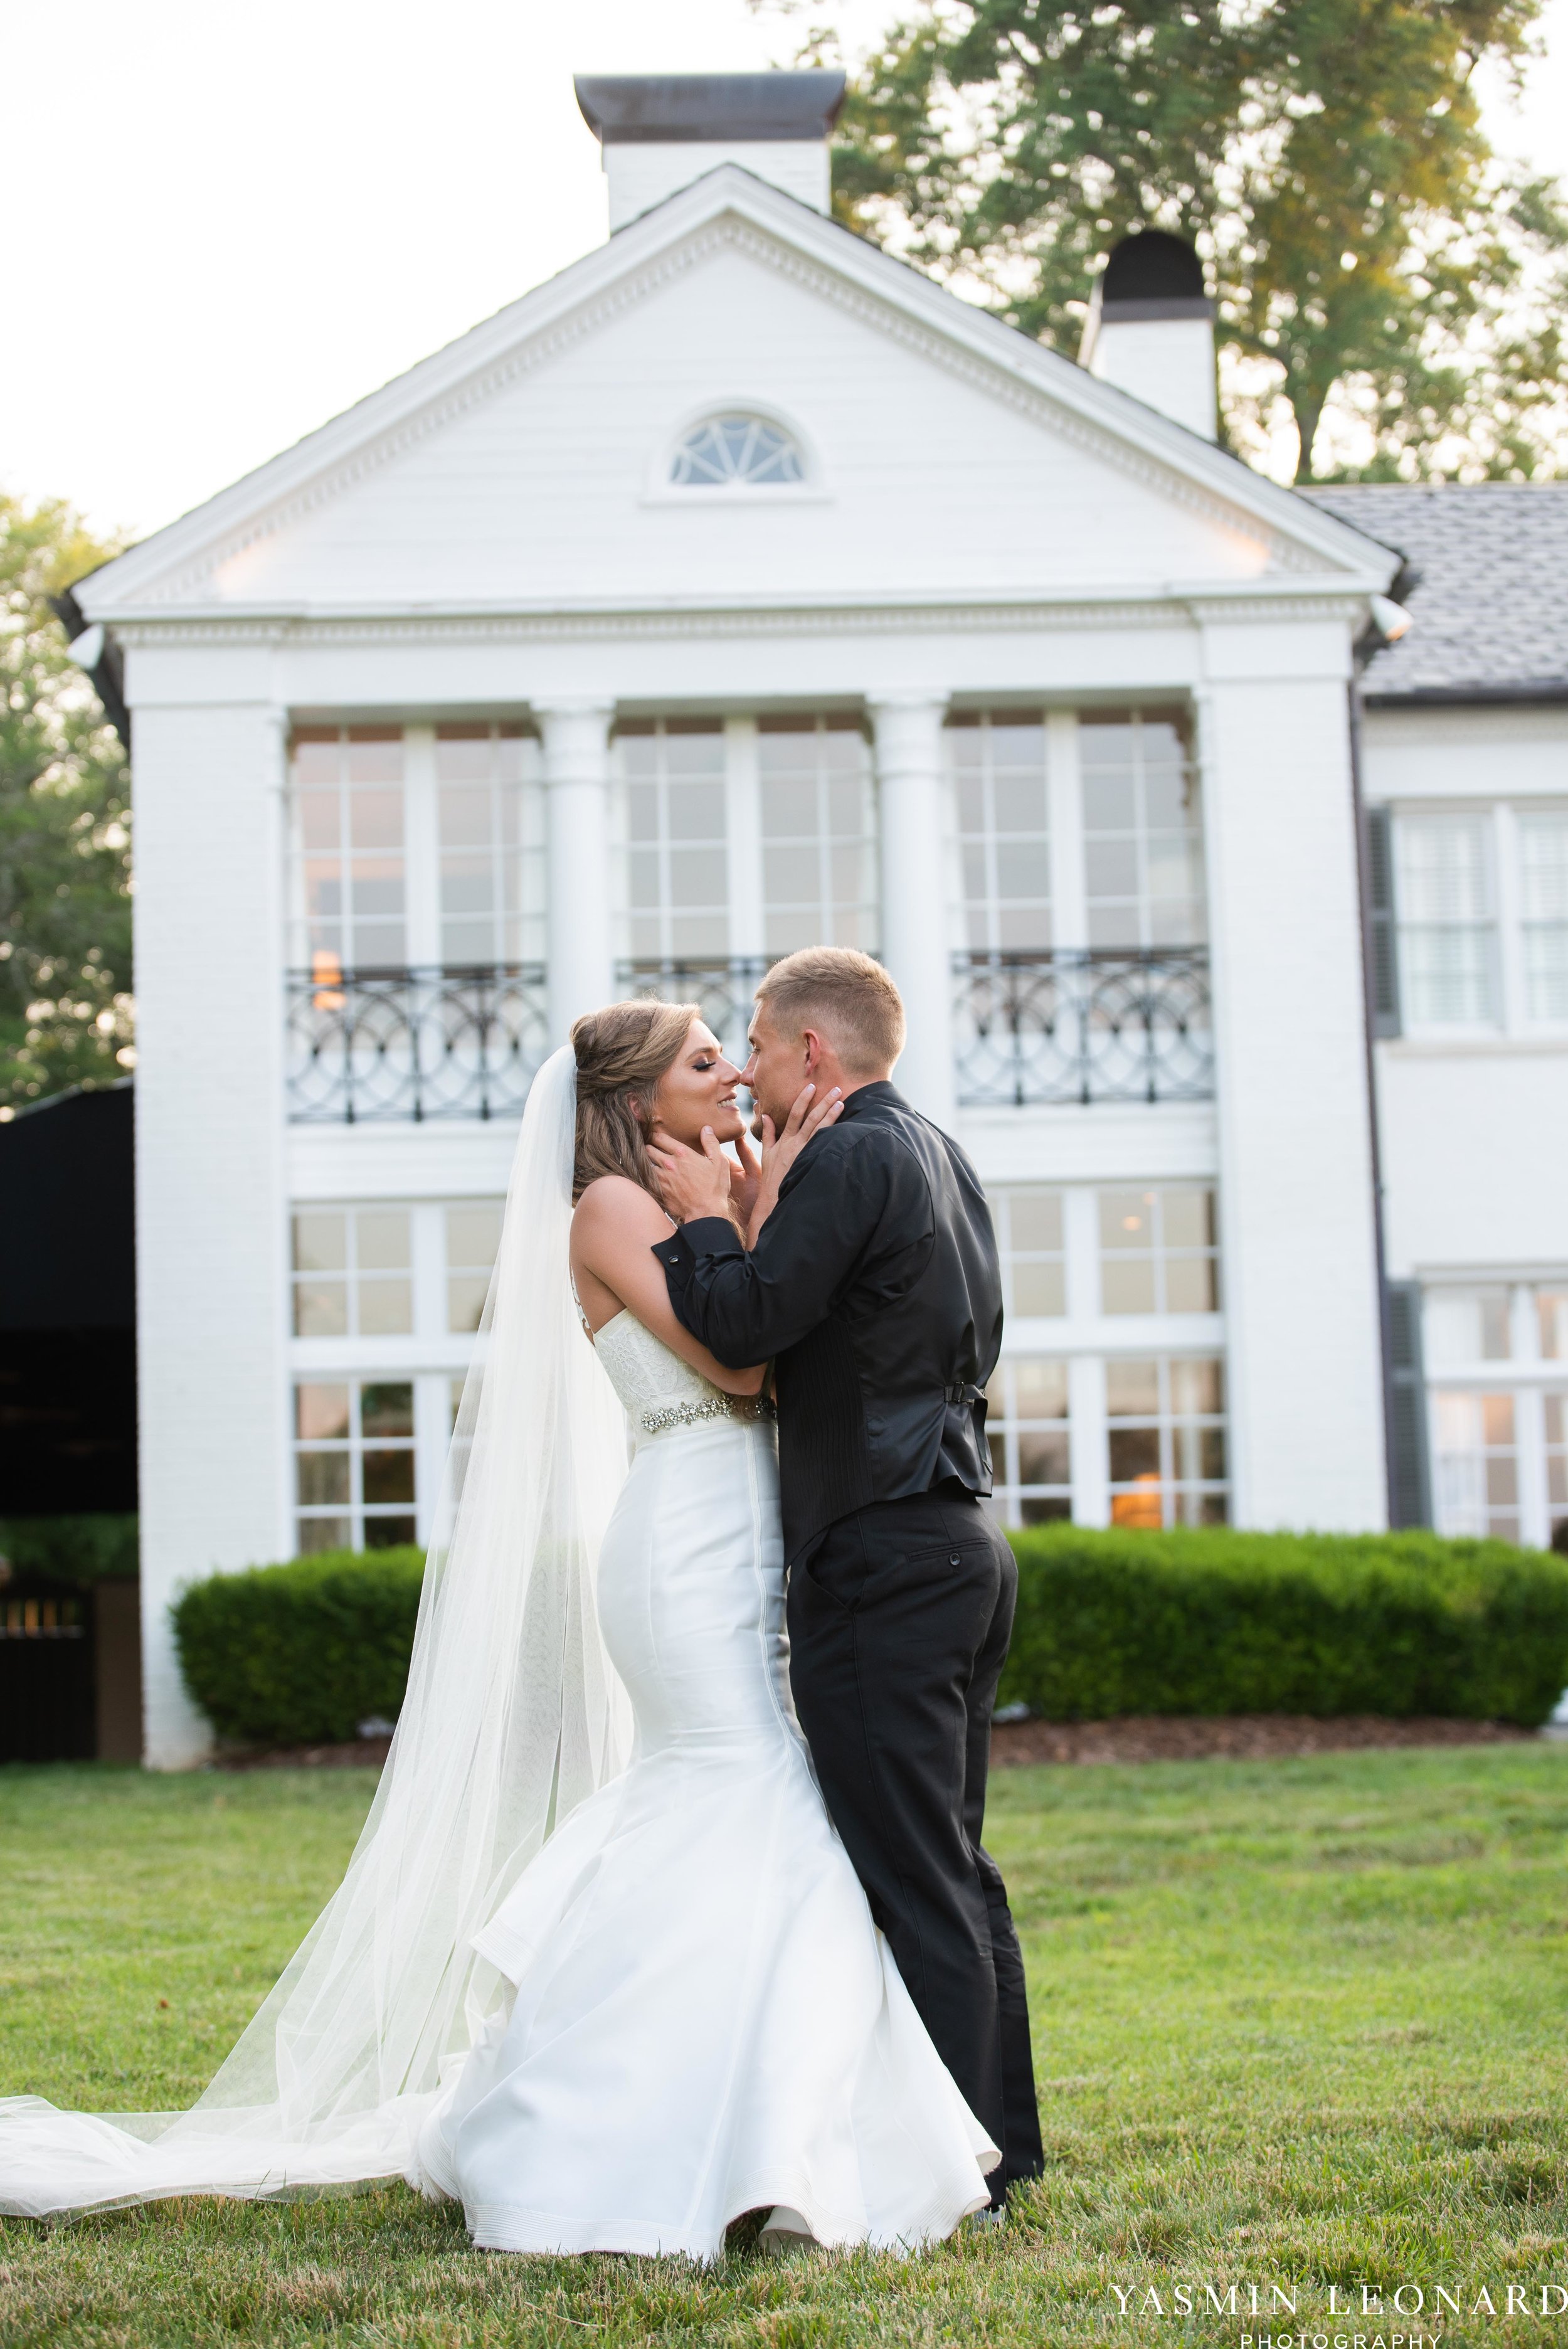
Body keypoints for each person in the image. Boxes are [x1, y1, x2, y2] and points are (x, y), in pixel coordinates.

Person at [0, 1002, 999, 2257]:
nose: (733, 1075)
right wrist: (723, 1216)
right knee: (747, 1784)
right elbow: (743, 1367)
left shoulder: (710, 1184)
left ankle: (756, 2126)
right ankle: (717, 2141)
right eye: (704, 1061)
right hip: (686, 1530)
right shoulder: (611, 1208)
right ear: (640, 1105)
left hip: (751, 1523)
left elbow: (777, 1319)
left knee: (762, 1802)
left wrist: (755, 1205)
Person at [646, 947, 1045, 2214]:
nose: (748, 1069)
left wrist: (711, 1211)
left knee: (915, 1872)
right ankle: (999, 2147)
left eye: (756, 1045)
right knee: (953, 1863)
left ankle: (959, 2165)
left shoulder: (853, 1155)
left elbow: (745, 1322)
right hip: (958, 1539)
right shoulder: (932, 1150)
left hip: (879, 1551)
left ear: (810, 1051)